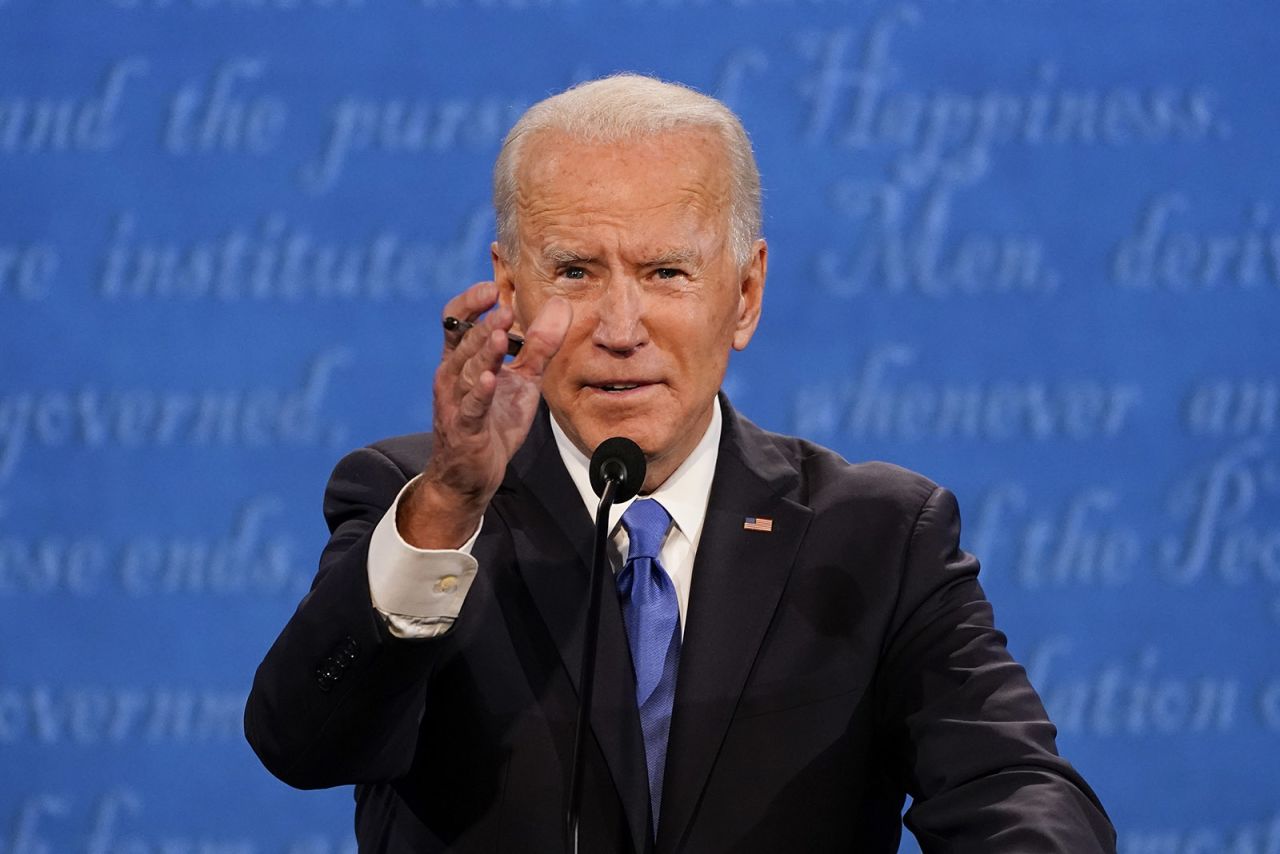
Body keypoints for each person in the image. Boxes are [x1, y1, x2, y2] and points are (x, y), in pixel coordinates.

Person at [245, 74, 1115, 853]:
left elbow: (1012, 784)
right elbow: (304, 744)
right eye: (577, 271)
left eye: (667, 272)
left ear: (745, 294)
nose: (622, 329)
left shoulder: (879, 538)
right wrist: (449, 503)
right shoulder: (418, 507)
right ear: (510, 295)